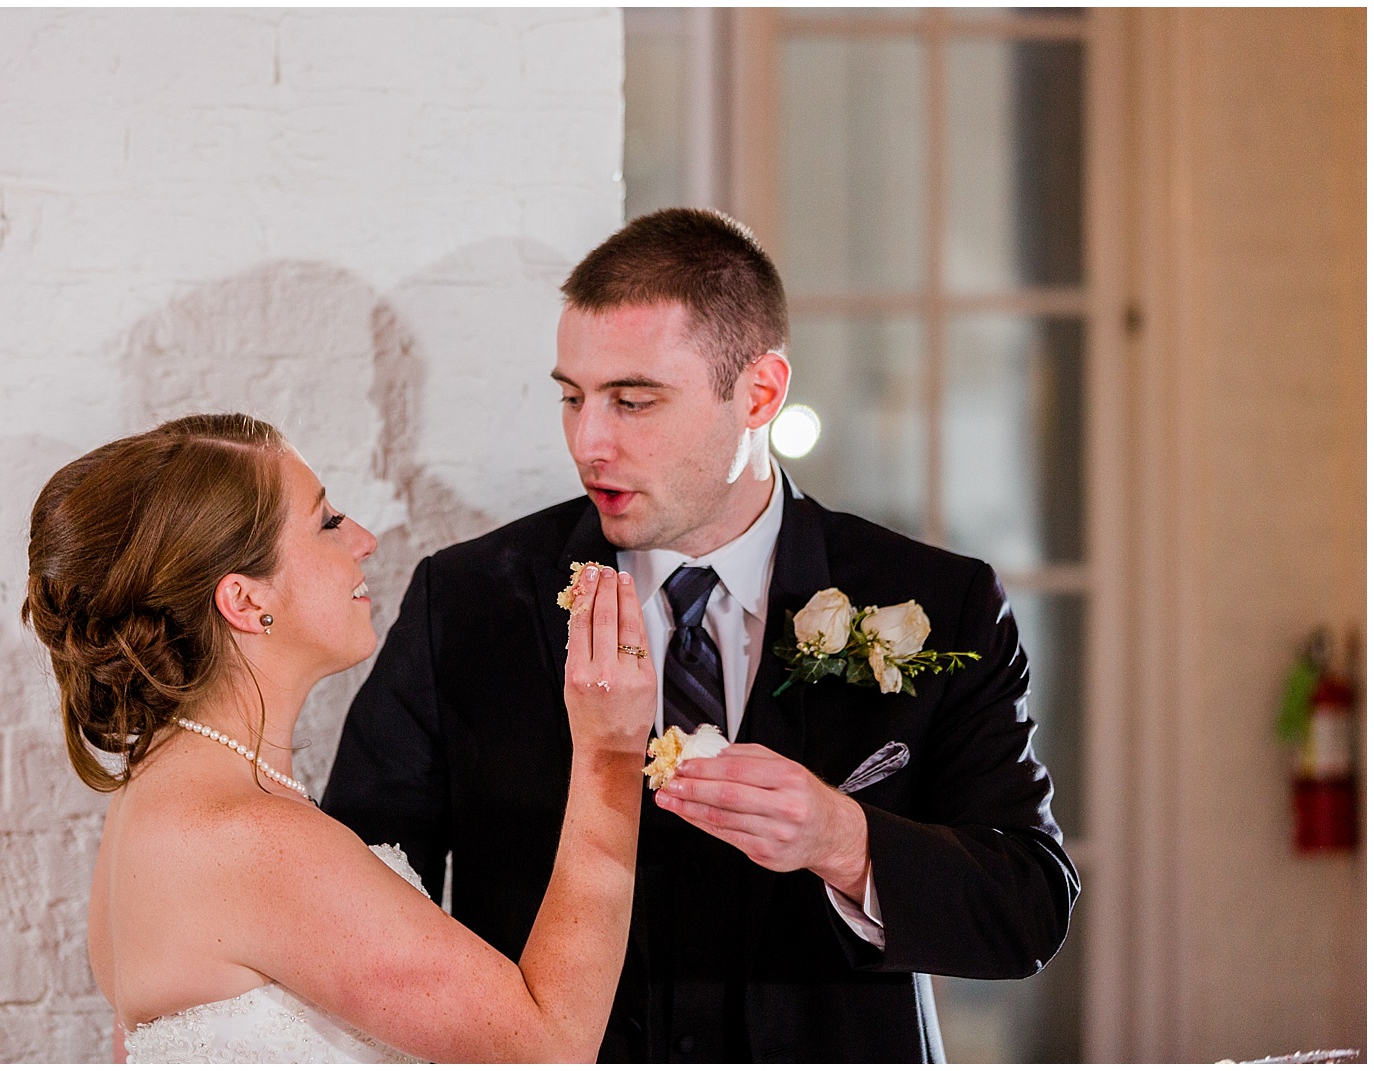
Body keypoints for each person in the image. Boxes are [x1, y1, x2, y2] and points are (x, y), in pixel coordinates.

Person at [324, 208, 1081, 1062]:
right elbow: (357, 902)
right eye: (572, 397)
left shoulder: (939, 599)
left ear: (758, 392)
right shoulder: (466, 601)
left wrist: (843, 838)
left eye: (633, 400)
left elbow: (1029, 906)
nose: (588, 441)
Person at [21, 413, 656, 1063]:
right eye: (327, 522)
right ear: (243, 600)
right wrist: (611, 751)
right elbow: (546, 1044)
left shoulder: (153, 797)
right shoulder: (251, 837)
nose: (365, 539)